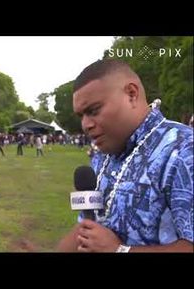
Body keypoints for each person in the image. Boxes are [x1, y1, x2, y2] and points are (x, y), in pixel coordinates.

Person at [58, 59, 193, 252]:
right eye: (81, 116)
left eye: (93, 111)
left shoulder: (184, 150)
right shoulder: (103, 156)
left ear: (131, 94)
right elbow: (86, 228)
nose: (86, 124)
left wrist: (120, 250)